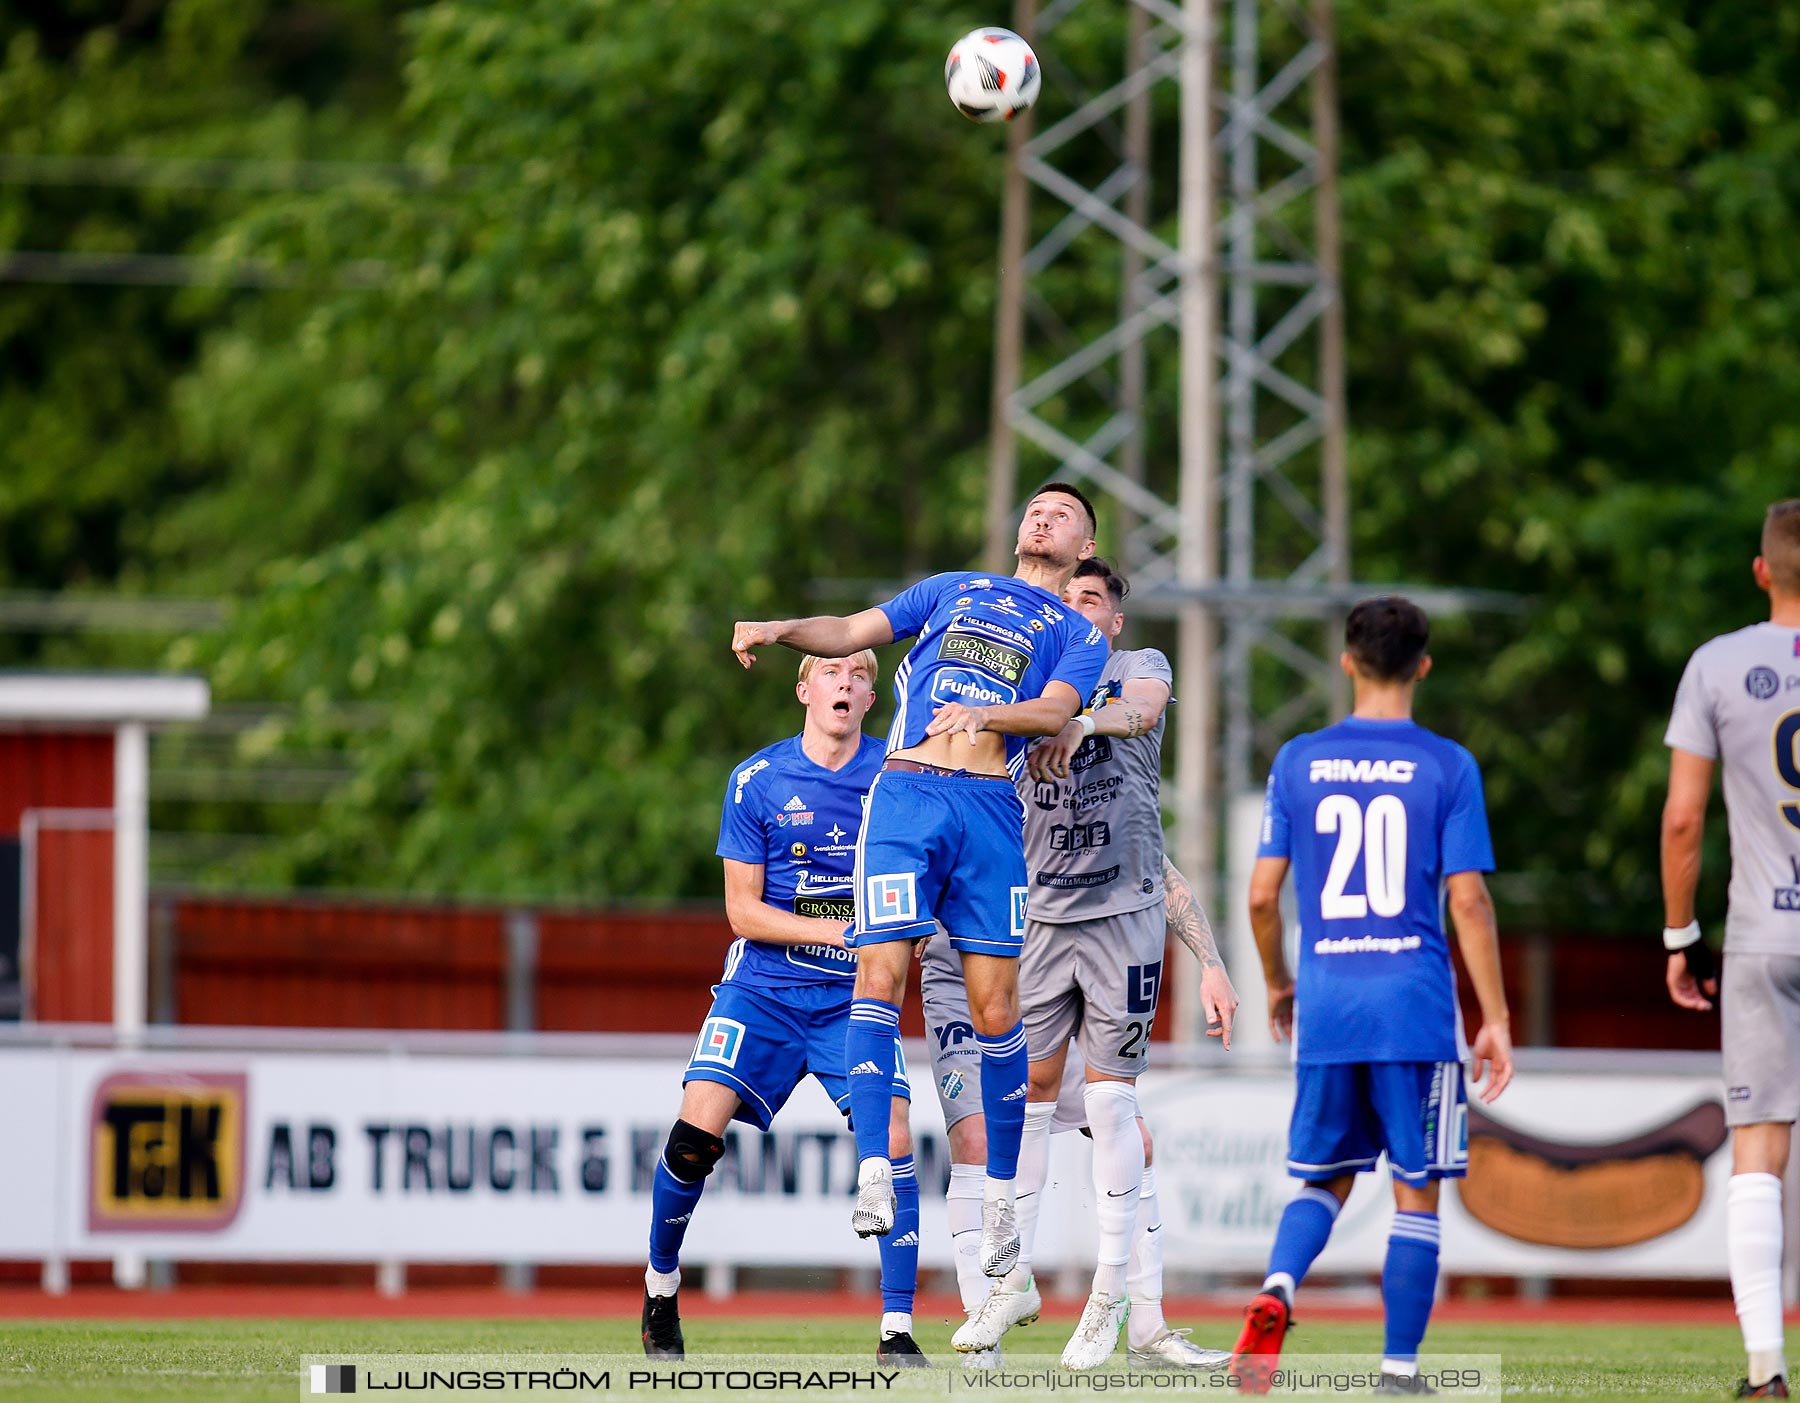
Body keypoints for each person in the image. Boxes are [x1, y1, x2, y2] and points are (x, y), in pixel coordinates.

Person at [731, 483, 1109, 1278]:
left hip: (989, 812)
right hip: (905, 796)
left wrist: (987, 718)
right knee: (881, 972)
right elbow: (844, 630)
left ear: (1083, 551)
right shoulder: (950, 590)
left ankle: (1003, 1198)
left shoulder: (1078, 630)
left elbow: (1052, 711)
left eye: (1063, 515)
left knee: (997, 1008)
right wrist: (778, 626)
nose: (1043, 516)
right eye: (1036, 508)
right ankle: (875, 1167)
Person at [945, 555, 1238, 1369]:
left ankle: (1113, 1294)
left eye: (1091, 599)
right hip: (1036, 922)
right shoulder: (1027, 684)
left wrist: (1210, 960)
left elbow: (1142, 714)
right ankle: (1009, 1283)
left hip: (1124, 919)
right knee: (1026, 1100)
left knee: (1116, 1112)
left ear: (1112, 618)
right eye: (1063, 596)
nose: (1074, 607)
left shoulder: (1135, 667)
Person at [1230, 596, 1513, 1395]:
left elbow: (1259, 896)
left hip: (1328, 1004)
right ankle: (1397, 1370)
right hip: (1415, 1009)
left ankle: (1279, 1286)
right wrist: (1493, 1017)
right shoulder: (1448, 765)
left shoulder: (1297, 760)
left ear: (1348, 661)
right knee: (1414, 1192)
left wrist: (1281, 981)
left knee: (1322, 1178)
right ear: (1423, 665)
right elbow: (1469, 902)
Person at [640, 653, 927, 1366]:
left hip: (854, 997)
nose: (845, 683)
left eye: (859, 675)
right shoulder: (756, 780)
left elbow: (926, 876)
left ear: (870, 696)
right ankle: (661, 1286)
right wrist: (839, 929)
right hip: (764, 988)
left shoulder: (897, 776)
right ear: (804, 690)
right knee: (693, 1134)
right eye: (829, 673)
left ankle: (896, 1331)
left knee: (893, 1133)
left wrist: (902, 936)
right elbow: (742, 911)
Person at [926, 856, 1235, 1369]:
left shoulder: (1073, 790)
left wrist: (1210, 962)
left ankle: (1148, 1329)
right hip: (962, 980)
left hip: (1040, 978)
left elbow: (1153, 863)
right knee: (979, 1139)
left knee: (1136, 1138)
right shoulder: (955, 779)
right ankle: (984, 1323)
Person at [1662, 500, 1800, 1400]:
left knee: (1758, 1148)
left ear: (1762, 572)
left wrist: (1681, 937)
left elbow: (1682, 820)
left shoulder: (1717, 662)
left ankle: (1764, 1369)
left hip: (1763, 932)